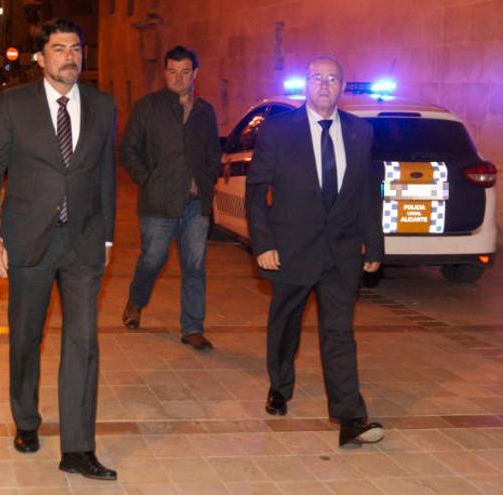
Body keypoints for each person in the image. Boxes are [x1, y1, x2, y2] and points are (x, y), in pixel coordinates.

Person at [0, 18, 118, 481]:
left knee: (83, 343)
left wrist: (108, 237)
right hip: (27, 239)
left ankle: (77, 447)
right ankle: (27, 420)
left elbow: (106, 176)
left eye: (76, 48)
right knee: (25, 337)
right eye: (59, 49)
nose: (70, 57)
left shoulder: (102, 105)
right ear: (40, 57)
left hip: (82, 242)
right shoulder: (14, 105)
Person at [245, 56, 385, 448]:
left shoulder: (361, 131)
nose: (325, 85)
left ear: (342, 86)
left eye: (333, 79)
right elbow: (257, 191)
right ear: (306, 85)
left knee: (339, 332)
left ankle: (350, 417)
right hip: (290, 248)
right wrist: (264, 242)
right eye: (317, 78)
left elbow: (366, 191)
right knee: (286, 323)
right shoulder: (278, 130)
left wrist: (373, 242)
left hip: (340, 252)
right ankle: (280, 385)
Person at [120, 46, 221, 351]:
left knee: (194, 265)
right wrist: (147, 179)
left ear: (195, 74)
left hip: (195, 204)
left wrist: (209, 176)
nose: (179, 78)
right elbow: (128, 149)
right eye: (173, 71)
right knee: (152, 260)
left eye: (185, 71)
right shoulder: (147, 108)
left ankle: (192, 328)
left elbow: (213, 151)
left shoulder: (205, 111)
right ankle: (136, 301)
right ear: (165, 73)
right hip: (158, 204)